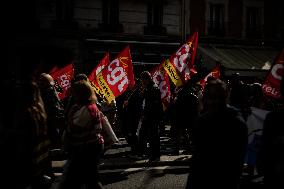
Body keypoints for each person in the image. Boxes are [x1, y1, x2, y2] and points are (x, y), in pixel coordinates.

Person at [187, 79, 248, 189]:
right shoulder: (202, 121)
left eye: (219, 97)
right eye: (212, 97)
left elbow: (238, 157)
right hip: (208, 179)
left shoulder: (235, 121)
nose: (216, 101)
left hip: (223, 179)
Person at [59, 80, 104, 189]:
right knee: (89, 179)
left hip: (87, 148)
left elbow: (74, 127)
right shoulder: (82, 106)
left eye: (74, 92)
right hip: (85, 147)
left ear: (80, 93)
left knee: (85, 179)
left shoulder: (88, 109)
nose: (72, 95)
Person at [257, 75, 284, 189]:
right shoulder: (273, 117)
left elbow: (265, 144)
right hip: (272, 169)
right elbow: (266, 143)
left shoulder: (273, 116)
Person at [136, 71, 163, 161]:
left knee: (153, 137)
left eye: (142, 79)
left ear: (146, 79)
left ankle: (155, 156)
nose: (141, 82)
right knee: (147, 136)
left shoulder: (153, 88)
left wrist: (146, 115)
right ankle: (149, 154)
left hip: (152, 117)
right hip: (148, 116)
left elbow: (153, 105)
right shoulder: (149, 87)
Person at [39, 73, 65, 149]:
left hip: (51, 116)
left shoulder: (49, 91)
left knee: (53, 134)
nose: (39, 83)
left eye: (41, 81)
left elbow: (53, 105)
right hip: (50, 116)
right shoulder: (46, 90)